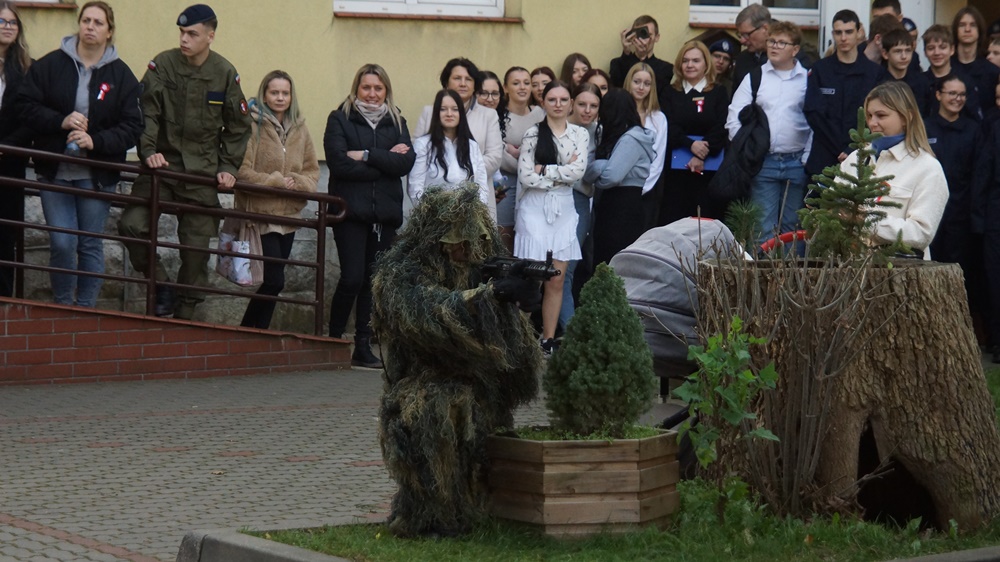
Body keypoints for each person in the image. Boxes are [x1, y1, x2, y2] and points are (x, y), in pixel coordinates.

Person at [371, 186, 542, 537]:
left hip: (480, 381)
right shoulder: (400, 271)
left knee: (482, 441)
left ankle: (475, 512)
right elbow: (424, 309)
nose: (466, 251)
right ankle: (433, 517)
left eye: (473, 242)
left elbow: (508, 344)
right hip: (421, 382)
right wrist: (485, 296)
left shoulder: (482, 264)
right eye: (457, 242)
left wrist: (518, 299)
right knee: (434, 421)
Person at [118, 4, 251, 319]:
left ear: (210, 36)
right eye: (182, 32)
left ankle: (185, 315)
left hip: (201, 174)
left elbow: (238, 127)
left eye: (192, 33)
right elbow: (146, 112)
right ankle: (161, 283)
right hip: (162, 168)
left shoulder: (224, 73)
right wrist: (148, 151)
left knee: (196, 252)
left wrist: (228, 168)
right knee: (131, 225)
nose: (184, 39)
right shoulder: (162, 65)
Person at [20, 1, 141, 308]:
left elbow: (131, 126)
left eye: (98, 22)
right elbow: (26, 106)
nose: (90, 26)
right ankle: (62, 307)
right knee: (61, 242)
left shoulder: (122, 75)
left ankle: (85, 310)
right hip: (55, 169)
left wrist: (95, 140)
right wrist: (60, 121)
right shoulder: (50, 65)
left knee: (89, 243)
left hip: (96, 175)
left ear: (109, 31)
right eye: (86, 20)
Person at [325, 63, 415, 368]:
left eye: (378, 88)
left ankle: (362, 347)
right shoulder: (340, 118)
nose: (373, 94)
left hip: (384, 216)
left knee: (372, 282)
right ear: (356, 89)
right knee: (351, 278)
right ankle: (333, 339)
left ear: (386, 90)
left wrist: (365, 155)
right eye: (367, 88)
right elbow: (338, 164)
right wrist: (386, 161)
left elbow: (405, 165)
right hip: (349, 213)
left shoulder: (396, 121)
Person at [234, 70, 319, 330]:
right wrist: (275, 181)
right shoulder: (252, 124)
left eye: (285, 93)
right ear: (265, 94)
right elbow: (242, 171)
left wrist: (298, 181)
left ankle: (255, 332)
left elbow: (312, 171)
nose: (280, 98)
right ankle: (250, 331)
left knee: (274, 281)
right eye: (274, 92)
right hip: (262, 213)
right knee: (274, 280)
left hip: (289, 216)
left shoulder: (300, 128)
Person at [514, 80, 588, 355]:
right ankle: (520, 337)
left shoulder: (580, 134)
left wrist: (545, 170)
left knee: (556, 278)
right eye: (552, 99)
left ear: (570, 103)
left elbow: (577, 172)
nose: (558, 104)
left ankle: (547, 339)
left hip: (564, 210)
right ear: (543, 102)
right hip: (534, 209)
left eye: (563, 99)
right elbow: (525, 176)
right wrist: (559, 172)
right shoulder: (533, 133)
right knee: (530, 276)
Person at [727, 20, 812, 245]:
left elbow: (816, 119)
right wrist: (748, 152)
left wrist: (807, 157)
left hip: (797, 162)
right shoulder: (756, 77)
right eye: (771, 41)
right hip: (764, 162)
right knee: (762, 228)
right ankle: (763, 278)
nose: (774, 46)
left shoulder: (807, 79)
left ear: (795, 50)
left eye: (781, 43)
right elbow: (734, 117)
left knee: (794, 229)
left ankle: (792, 280)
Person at [841, 81, 946, 252]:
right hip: (848, 267)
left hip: (901, 272)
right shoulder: (856, 157)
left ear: (907, 117)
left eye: (881, 116)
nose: (873, 123)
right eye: (869, 115)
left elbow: (922, 233)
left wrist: (868, 222)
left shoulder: (928, 168)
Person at [924, 73, 986, 345]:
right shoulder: (925, 128)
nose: (957, 99)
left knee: (960, 276)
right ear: (938, 95)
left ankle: (957, 335)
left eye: (961, 94)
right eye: (951, 93)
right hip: (929, 215)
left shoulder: (974, 130)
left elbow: (979, 175)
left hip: (961, 217)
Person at [414, 58, 502, 220]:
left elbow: (495, 156)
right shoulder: (429, 112)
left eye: (468, 79)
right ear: (446, 83)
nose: (463, 83)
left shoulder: (488, 115)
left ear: (475, 85)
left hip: (475, 199)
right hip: (434, 202)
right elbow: (418, 154)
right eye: (457, 78)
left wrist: (460, 174)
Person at [804, 9, 887, 179]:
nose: (843, 38)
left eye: (849, 32)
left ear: (859, 33)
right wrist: (838, 148)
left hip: (861, 159)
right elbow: (814, 112)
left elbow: (875, 115)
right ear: (833, 34)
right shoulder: (820, 69)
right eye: (838, 32)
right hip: (823, 159)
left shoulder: (874, 73)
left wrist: (853, 148)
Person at [659, 40, 729, 224]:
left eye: (695, 60)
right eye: (685, 60)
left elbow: (722, 126)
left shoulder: (719, 92)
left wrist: (702, 154)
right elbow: (668, 125)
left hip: (709, 172)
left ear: (706, 63)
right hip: (676, 174)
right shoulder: (670, 92)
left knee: (705, 222)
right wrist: (691, 145)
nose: (690, 65)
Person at [585, 89, 655, 268]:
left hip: (623, 208)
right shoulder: (618, 136)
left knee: (614, 261)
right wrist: (603, 166)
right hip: (611, 207)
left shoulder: (631, 138)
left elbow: (611, 177)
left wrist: (599, 167)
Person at [559, 81, 602, 330]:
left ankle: (571, 331)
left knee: (571, 267)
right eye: (582, 104)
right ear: (572, 103)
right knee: (557, 270)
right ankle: (565, 331)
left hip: (581, 202)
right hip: (554, 199)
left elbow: (587, 173)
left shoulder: (599, 131)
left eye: (593, 106)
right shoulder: (558, 127)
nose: (587, 110)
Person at [408, 89, 488, 206]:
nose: (449, 114)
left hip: (467, 218)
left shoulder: (472, 146)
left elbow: (481, 185)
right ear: (436, 113)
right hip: (433, 218)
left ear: (461, 113)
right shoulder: (423, 145)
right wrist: (430, 214)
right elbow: (415, 186)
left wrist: (475, 212)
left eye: (455, 109)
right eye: (443, 109)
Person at [495, 66, 544, 253]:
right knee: (505, 236)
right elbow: (497, 154)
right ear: (506, 88)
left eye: (526, 83)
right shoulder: (499, 115)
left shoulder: (539, 113)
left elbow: (544, 149)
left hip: (533, 184)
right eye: (516, 83)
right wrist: (524, 164)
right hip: (507, 184)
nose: (522, 87)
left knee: (530, 237)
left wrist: (517, 150)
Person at [0, 1, 31, 298]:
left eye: (12, 22)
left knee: (6, 232)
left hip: (9, 161)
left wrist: (5, 147)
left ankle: (4, 296)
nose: (7, 26)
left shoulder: (24, 67)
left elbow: (29, 117)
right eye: (2, 21)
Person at [623, 62, 667, 230]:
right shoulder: (619, 112)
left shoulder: (658, 118)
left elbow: (657, 159)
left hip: (647, 190)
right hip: (619, 189)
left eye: (647, 83)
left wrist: (641, 187)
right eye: (637, 81)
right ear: (629, 82)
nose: (641, 87)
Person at [610, 14, 672, 106]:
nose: (642, 38)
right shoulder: (618, 63)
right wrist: (626, 53)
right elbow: (618, 87)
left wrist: (643, 59)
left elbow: (656, 94)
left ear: (657, 37)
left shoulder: (666, 68)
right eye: (639, 34)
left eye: (647, 34)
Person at [923, 25, 980, 120]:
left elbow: (974, 117)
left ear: (952, 50)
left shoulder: (965, 81)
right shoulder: (919, 82)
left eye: (942, 47)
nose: (937, 52)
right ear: (925, 52)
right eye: (931, 48)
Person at [952, 6, 1000, 119]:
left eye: (972, 25)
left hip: (984, 132)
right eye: (962, 25)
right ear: (955, 30)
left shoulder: (992, 72)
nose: (967, 29)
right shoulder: (946, 67)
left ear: (980, 30)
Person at [882, 28, 932, 116]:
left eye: (908, 51)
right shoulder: (877, 82)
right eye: (898, 51)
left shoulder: (921, 83)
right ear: (885, 54)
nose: (904, 56)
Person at [731, 3, 772, 95]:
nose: (742, 40)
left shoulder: (790, 56)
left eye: (746, 34)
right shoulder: (742, 59)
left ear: (765, 28)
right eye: (740, 35)